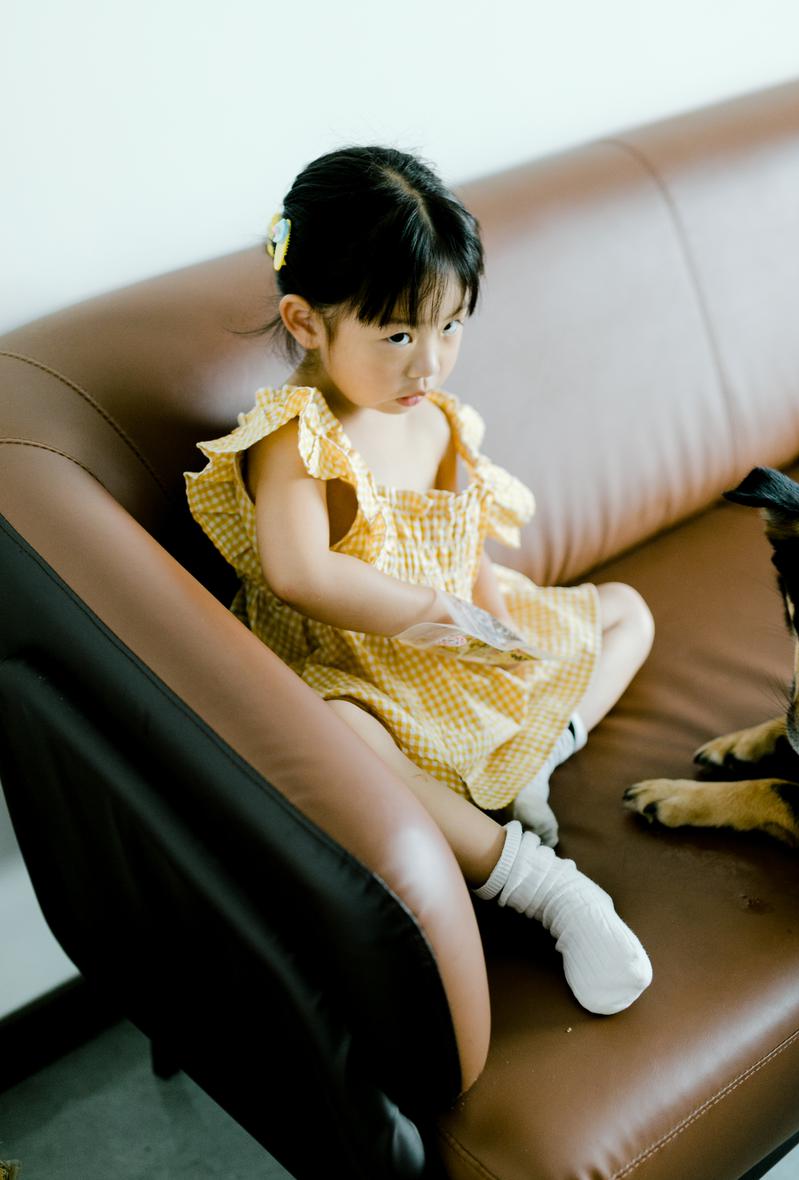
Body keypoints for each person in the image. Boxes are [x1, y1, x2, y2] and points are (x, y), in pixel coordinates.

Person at [186, 146, 654, 1015]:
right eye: (399, 335)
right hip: (356, 671)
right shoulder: (296, 436)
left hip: (452, 647)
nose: (429, 363)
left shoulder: (435, 418)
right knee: (339, 735)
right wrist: (437, 613)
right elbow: (298, 572)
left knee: (627, 613)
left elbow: (466, 544)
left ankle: (537, 759)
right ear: (306, 322)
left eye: (451, 328)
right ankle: (541, 886)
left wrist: (496, 627)